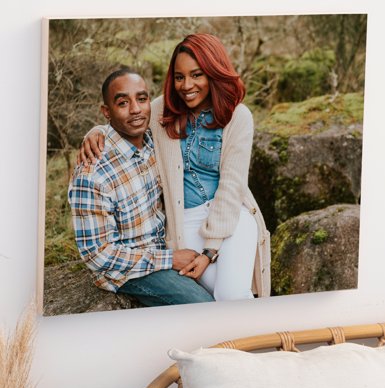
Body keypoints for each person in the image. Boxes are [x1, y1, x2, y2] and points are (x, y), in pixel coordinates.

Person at [79, 34, 271, 301]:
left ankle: (262, 340)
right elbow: (129, 117)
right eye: (179, 77)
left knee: (232, 293)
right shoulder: (161, 111)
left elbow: (232, 185)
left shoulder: (238, 117)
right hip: (186, 224)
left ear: (214, 73)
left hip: (232, 216)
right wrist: (97, 131)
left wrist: (210, 252)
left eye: (196, 75)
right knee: (216, 296)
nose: (186, 85)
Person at [68, 68, 214, 307]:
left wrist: (96, 130)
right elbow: (98, 254)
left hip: (166, 244)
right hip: (128, 270)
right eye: (123, 102)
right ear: (107, 111)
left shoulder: (154, 141)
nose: (135, 109)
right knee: (202, 304)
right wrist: (170, 259)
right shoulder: (92, 174)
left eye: (142, 99)